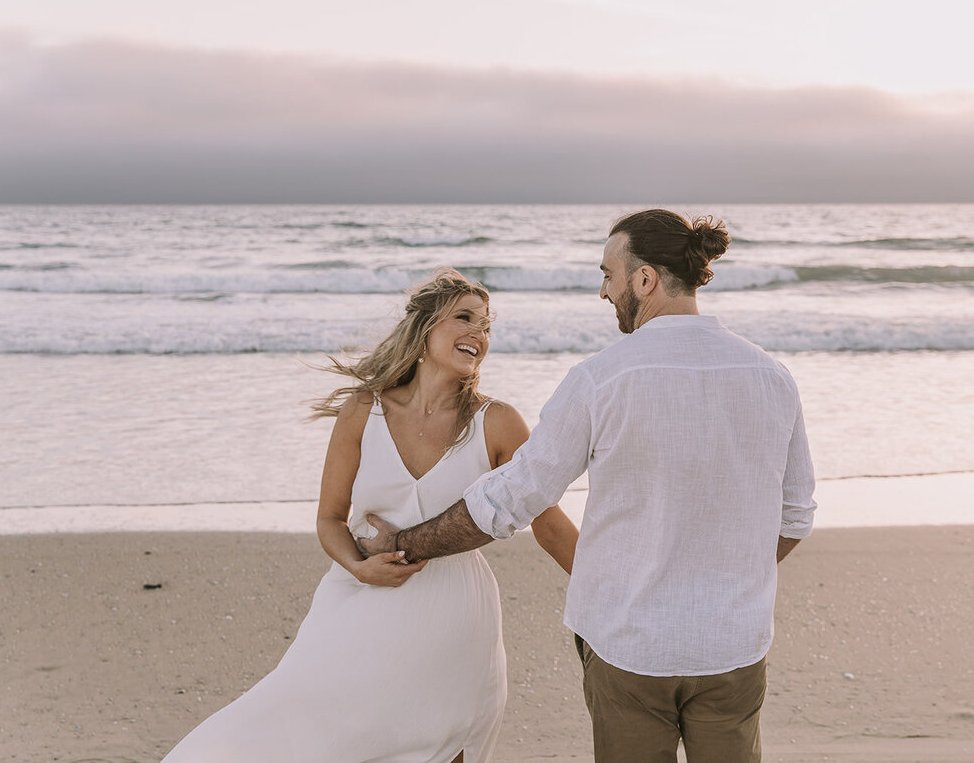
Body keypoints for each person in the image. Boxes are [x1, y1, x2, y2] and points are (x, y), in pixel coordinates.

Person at [360, 209, 817, 763]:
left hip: (628, 642)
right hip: (732, 644)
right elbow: (794, 517)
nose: (603, 291)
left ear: (644, 279)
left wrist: (405, 543)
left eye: (609, 274)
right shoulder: (769, 375)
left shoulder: (601, 378)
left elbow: (513, 498)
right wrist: (725, 581)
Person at [161, 268, 578, 763]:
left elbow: (549, 523)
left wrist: (614, 587)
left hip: (454, 612)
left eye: (486, 326)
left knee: (445, 744)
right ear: (424, 329)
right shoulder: (364, 410)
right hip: (358, 597)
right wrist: (358, 567)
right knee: (303, 722)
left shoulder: (499, 422)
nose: (479, 334)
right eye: (464, 318)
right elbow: (330, 519)